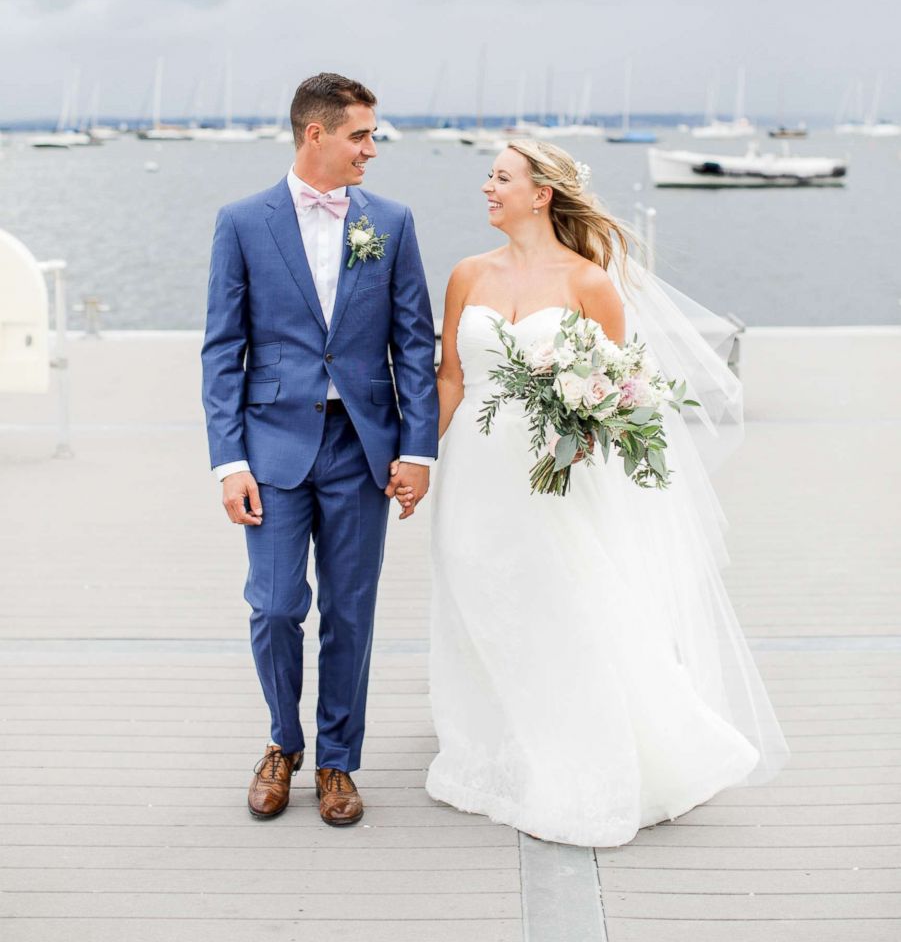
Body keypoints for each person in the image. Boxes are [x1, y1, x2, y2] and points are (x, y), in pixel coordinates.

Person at [410, 139, 789, 847]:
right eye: (488, 177)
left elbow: (622, 393)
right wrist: (418, 459)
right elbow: (452, 379)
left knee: (564, 601)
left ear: (539, 193)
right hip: (474, 469)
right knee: (479, 592)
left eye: (499, 177)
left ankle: (588, 750)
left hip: (557, 474)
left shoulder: (590, 284)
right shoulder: (466, 274)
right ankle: (495, 740)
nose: (485, 187)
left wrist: (580, 433)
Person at [201, 73, 438, 825]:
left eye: (372, 135)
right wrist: (228, 460)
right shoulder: (241, 222)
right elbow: (221, 349)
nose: (371, 148)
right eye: (360, 135)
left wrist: (417, 451)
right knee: (274, 608)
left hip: (362, 446)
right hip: (271, 446)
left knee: (351, 611)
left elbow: (412, 342)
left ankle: (337, 761)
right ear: (316, 134)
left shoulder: (391, 222)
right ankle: (283, 742)